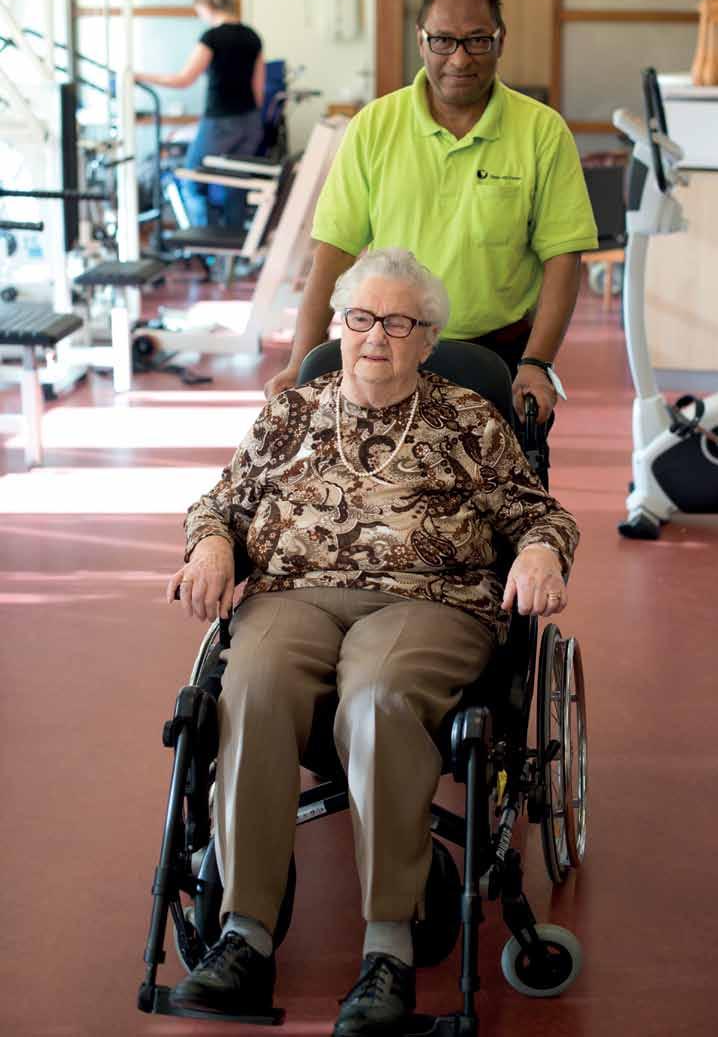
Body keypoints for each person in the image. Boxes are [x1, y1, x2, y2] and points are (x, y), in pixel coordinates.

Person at [166, 248, 580, 1034]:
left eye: (399, 322)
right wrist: (213, 546)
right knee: (249, 682)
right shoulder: (290, 414)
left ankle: (389, 945)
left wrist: (536, 552)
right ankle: (244, 933)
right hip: (296, 594)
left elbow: (541, 514)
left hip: (429, 602)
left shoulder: (467, 419)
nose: (376, 337)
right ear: (337, 325)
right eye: (361, 318)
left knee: (378, 693)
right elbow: (219, 502)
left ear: (429, 339)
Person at [267, 0, 598, 426]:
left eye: (477, 40)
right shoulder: (375, 125)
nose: (460, 59)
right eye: (443, 41)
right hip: (385, 348)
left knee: (499, 492)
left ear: (501, 40)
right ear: (421, 41)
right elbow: (335, 249)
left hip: (498, 355)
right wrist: (298, 361)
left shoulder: (542, 131)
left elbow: (562, 257)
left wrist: (537, 363)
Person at [135, 0, 264, 230]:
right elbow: (258, 92)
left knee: (192, 180)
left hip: (221, 122)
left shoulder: (212, 38)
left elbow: (184, 80)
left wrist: (140, 76)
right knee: (236, 184)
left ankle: (203, 249)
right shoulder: (252, 36)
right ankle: (232, 253)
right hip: (249, 122)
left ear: (206, 6)